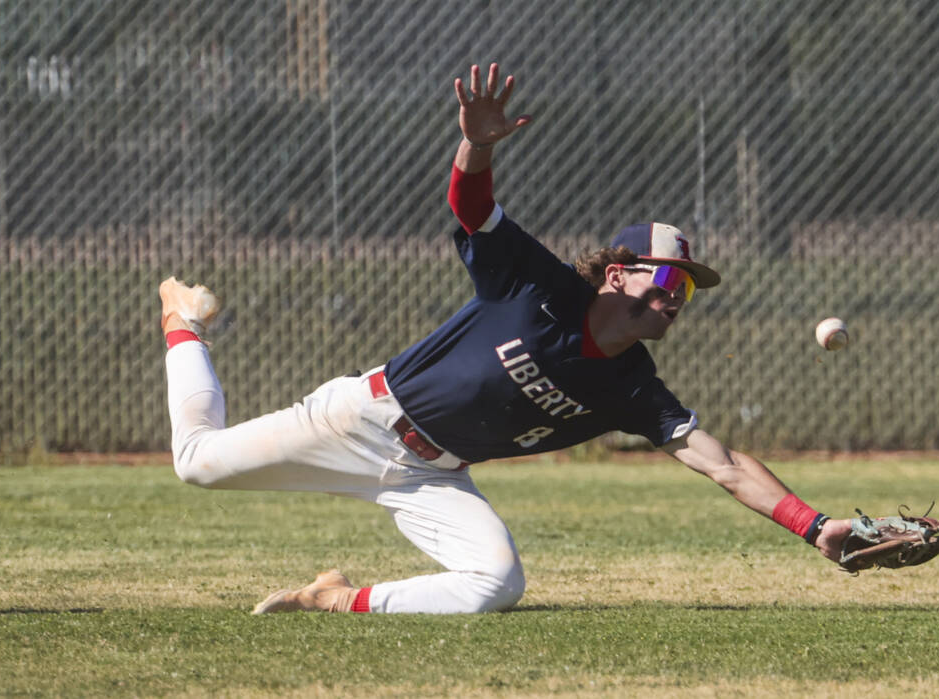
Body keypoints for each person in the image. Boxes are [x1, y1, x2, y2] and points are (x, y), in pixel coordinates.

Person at [160, 63, 854, 615]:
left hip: (435, 473)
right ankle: (180, 320)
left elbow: (725, 464)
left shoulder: (631, 385)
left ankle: (336, 595)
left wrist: (815, 524)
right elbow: (473, 207)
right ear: (618, 274)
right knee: (195, 462)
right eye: (669, 276)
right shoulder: (537, 286)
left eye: (689, 288)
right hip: (361, 420)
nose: (677, 295)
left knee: (496, 582)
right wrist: (479, 143)